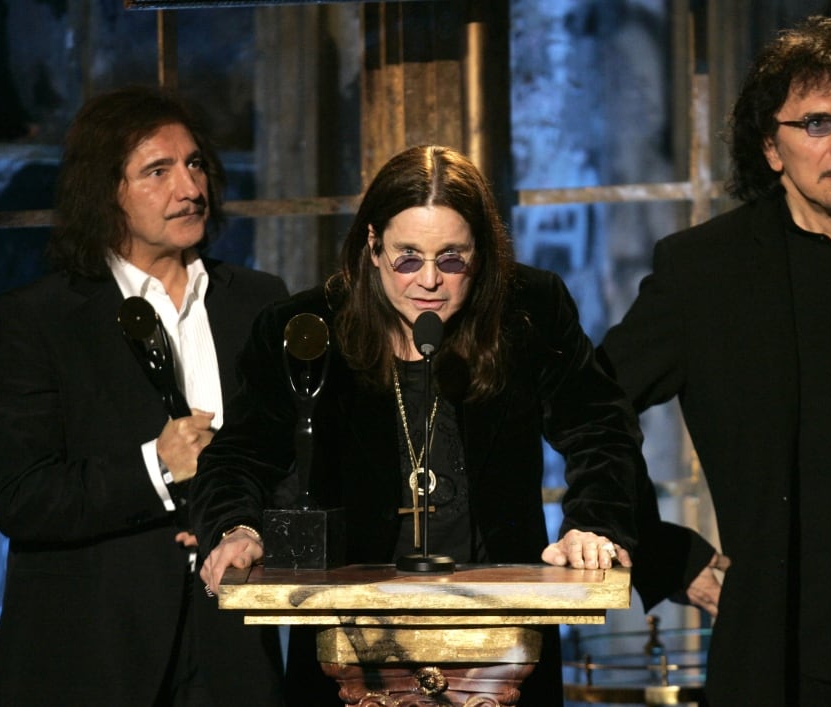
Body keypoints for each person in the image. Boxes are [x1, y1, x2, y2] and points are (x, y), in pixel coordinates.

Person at [190, 144, 643, 705]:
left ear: (481, 255)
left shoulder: (529, 310)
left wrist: (593, 524)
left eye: (451, 259)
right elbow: (239, 455)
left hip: (499, 645)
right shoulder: (304, 328)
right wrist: (237, 527)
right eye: (408, 257)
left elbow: (601, 429)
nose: (428, 280)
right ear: (373, 247)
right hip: (351, 640)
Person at [598, 15, 831, 706]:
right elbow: (589, 402)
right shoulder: (704, 271)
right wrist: (662, 551)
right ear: (771, 146)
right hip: (778, 650)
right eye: (818, 124)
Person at [0, 86, 289, 705]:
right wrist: (158, 467)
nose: (190, 188)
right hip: (86, 653)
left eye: (195, 163)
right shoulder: (40, 319)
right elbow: (21, 497)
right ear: (106, 190)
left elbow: (294, 455)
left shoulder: (257, 302)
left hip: (229, 647)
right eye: (158, 170)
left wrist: (248, 525)